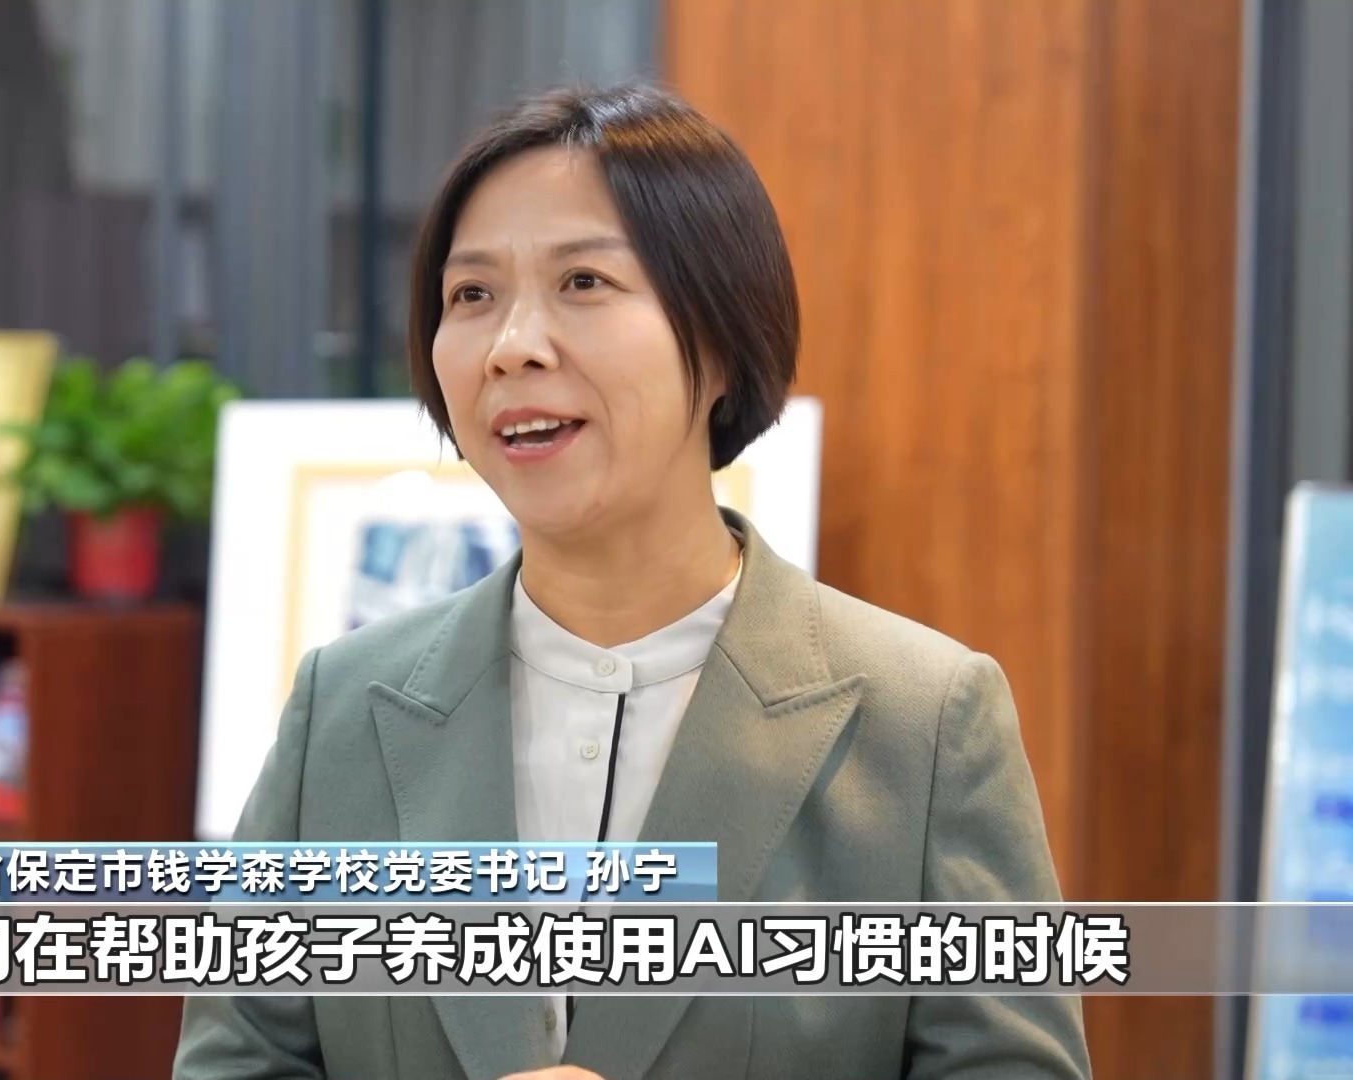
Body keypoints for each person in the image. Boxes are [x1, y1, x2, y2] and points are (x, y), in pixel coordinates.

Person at [172, 81, 1091, 1080]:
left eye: (584, 282)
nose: (512, 346)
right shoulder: (343, 709)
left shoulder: (926, 722)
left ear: (723, 337)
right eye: (471, 295)